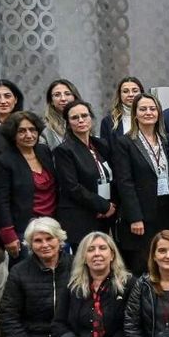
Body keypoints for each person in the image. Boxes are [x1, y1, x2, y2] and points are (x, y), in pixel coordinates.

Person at [112, 94, 169, 275]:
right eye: (143, 109)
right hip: (141, 214)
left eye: (152, 109)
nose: (148, 112)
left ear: (159, 113)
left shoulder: (166, 140)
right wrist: (135, 217)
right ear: (135, 114)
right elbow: (124, 182)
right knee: (142, 265)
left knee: (164, 263)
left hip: (166, 209)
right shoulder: (125, 142)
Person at [0, 111, 56, 261]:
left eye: (32, 130)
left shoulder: (44, 151)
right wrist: (8, 234)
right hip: (24, 229)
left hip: (52, 224)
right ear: (12, 134)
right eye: (22, 131)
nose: (29, 135)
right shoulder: (4, 161)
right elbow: (1, 201)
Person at [53, 101, 116, 250]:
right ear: (68, 123)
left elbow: (114, 176)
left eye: (84, 116)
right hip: (81, 217)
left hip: (106, 215)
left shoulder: (101, 145)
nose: (81, 120)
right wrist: (103, 206)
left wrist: (111, 205)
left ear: (91, 118)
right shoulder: (64, 151)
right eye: (75, 118)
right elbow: (72, 187)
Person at [99, 76, 143, 144]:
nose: (131, 94)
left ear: (141, 93)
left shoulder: (150, 117)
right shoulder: (108, 122)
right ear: (119, 95)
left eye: (135, 91)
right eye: (125, 91)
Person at [41, 79, 80, 148]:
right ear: (51, 101)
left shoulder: (85, 121)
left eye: (67, 94)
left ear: (75, 97)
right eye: (57, 95)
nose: (63, 99)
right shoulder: (44, 129)